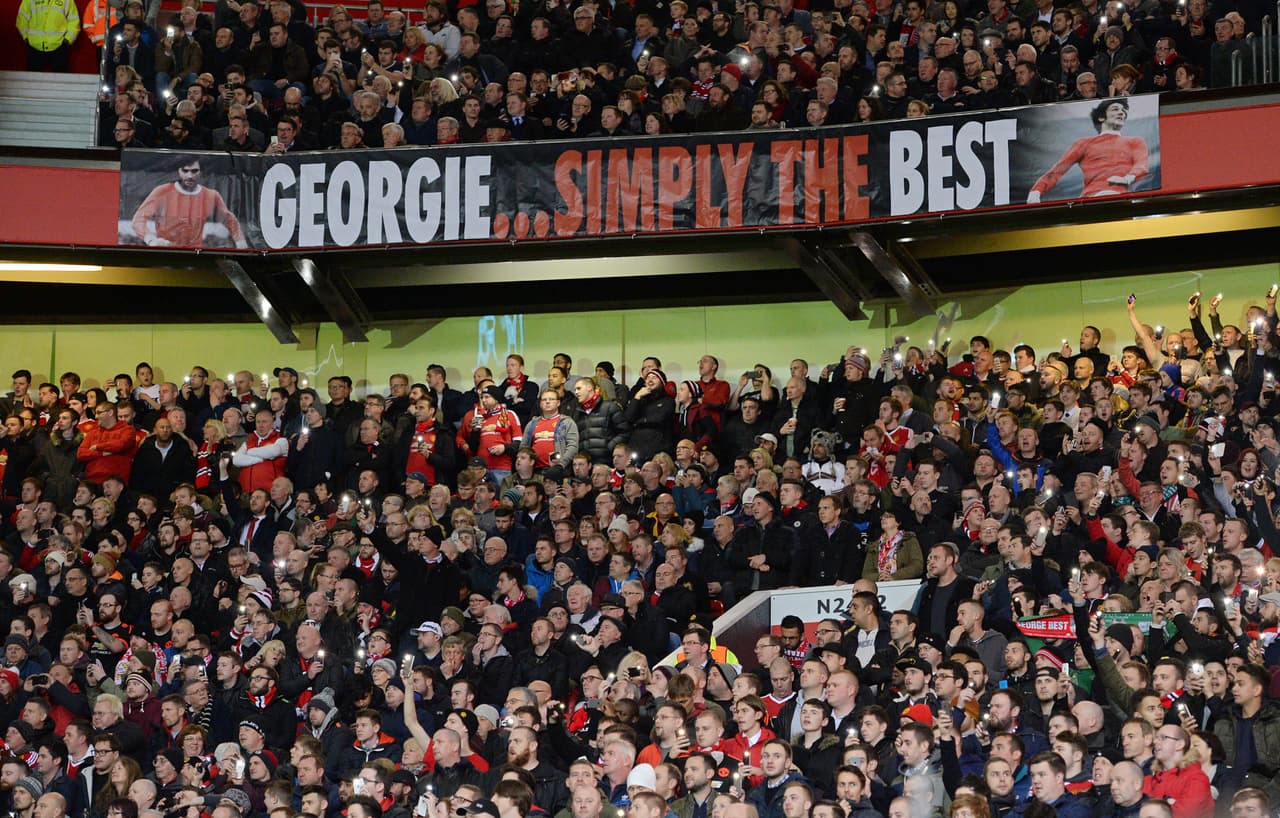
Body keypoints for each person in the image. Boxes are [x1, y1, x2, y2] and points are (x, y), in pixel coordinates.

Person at [1026, 98, 1150, 202]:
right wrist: (1036, 191)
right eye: (1115, 109)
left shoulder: (1135, 141)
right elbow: (1058, 170)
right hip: (1089, 201)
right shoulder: (1084, 143)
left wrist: (1127, 178)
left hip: (1121, 200)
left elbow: (1141, 165)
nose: (1121, 113)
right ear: (1101, 117)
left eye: (1123, 111)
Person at [127, 157, 249, 248]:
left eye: (194, 171)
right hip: (166, 252)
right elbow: (139, 219)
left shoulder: (211, 195)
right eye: (185, 171)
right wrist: (151, 239)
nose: (190, 175)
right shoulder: (162, 192)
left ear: (201, 172)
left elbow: (229, 219)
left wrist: (240, 242)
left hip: (195, 255)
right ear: (178, 171)